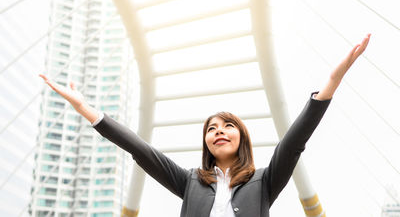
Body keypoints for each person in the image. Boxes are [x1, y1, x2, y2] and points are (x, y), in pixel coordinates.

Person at [39, 34, 370, 217]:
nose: (219, 131)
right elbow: (139, 149)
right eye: (211, 128)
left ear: (242, 138)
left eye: (228, 125)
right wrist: (84, 108)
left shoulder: (265, 182)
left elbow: (294, 143)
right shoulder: (189, 182)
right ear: (206, 143)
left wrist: (329, 85)